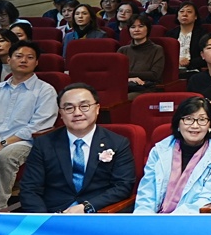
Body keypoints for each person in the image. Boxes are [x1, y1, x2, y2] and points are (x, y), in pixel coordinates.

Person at [17, 83, 134, 214]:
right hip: (53, 214)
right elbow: (30, 188)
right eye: (69, 108)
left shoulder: (118, 143)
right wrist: (43, 220)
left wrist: (87, 206)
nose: (77, 113)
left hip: (97, 213)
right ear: (60, 113)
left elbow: (122, 187)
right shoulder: (44, 143)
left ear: (97, 108)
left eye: (84, 106)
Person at [0, 41, 58, 211]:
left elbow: (37, 126)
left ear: (36, 63)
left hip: (26, 143)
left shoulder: (45, 90)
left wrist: (2, 144)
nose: (24, 60)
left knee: (6, 156)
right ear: (9, 60)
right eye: (18, 56)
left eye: (30, 57)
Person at [134, 96, 211, 214]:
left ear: (210, 125)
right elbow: (147, 192)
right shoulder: (159, 150)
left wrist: (172, 221)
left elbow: (206, 198)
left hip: (191, 221)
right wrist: (145, 220)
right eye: (188, 119)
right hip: (154, 219)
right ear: (178, 123)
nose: (195, 126)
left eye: (202, 120)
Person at [119, 13, 165, 93]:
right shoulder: (123, 50)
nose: (136, 30)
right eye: (133, 27)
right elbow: (116, 73)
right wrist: (129, 79)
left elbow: (154, 75)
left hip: (145, 88)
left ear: (148, 29)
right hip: (124, 86)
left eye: (141, 26)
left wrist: (127, 75)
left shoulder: (157, 49)